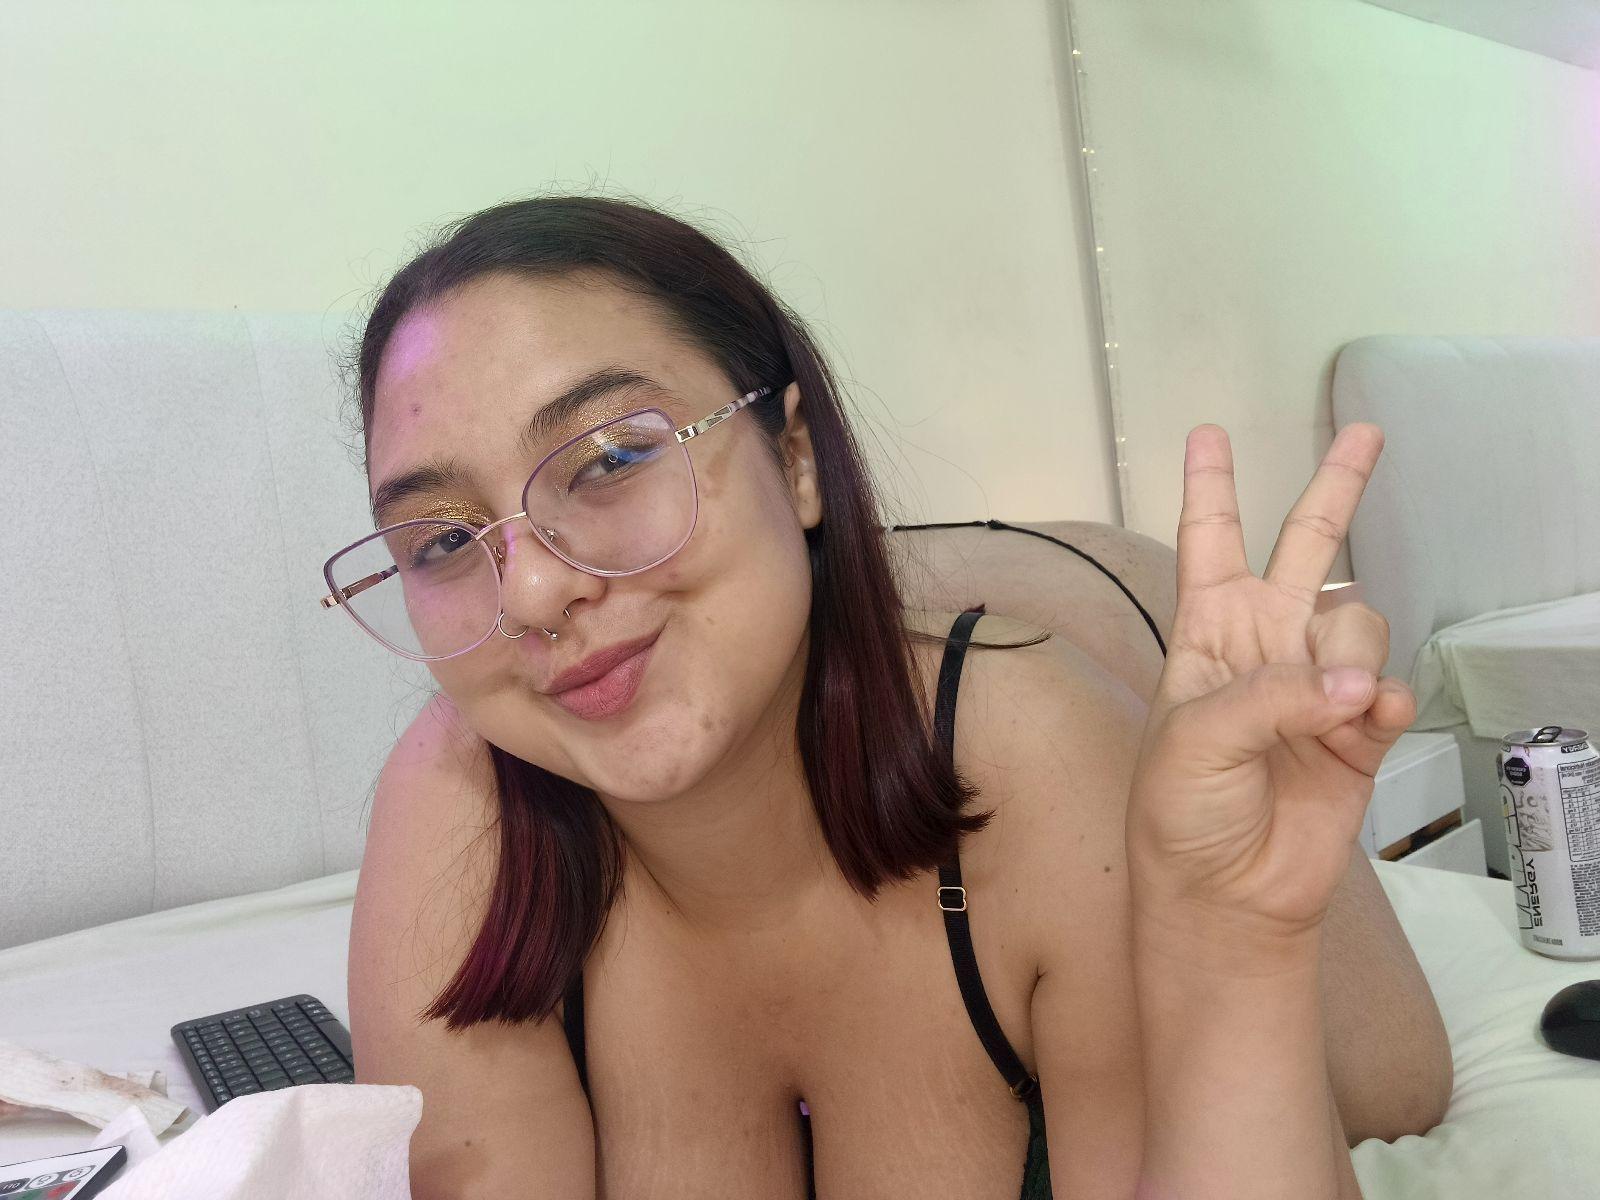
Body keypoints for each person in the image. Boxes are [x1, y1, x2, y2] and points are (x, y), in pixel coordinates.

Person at [334, 195, 1449, 1198]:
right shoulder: (455, 800)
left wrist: (1233, 942)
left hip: (1085, 596)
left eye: (613, 459)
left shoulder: (1041, 747)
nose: (530, 592)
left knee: (1396, 1085)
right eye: (442, 540)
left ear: (797, 456)